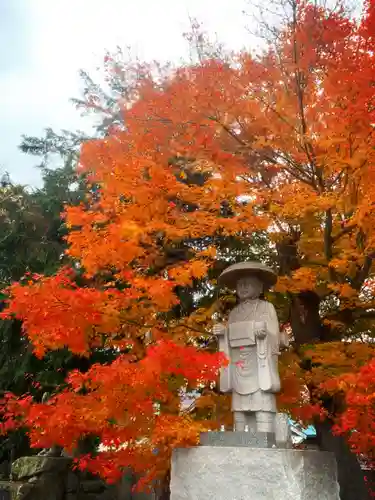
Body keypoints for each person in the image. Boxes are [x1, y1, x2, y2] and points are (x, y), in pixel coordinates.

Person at [214, 262, 288, 434]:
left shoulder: (266, 308)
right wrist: (222, 334)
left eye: (248, 283)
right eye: (240, 284)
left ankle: (265, 434)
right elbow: (229, 338)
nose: (243, 287)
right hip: (239, 364)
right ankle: (240, 435)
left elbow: (274, 336)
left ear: (259, 286)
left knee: (262, 404)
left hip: (259, 363)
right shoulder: (234, 313)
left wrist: (262, 333)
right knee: (239, 410)